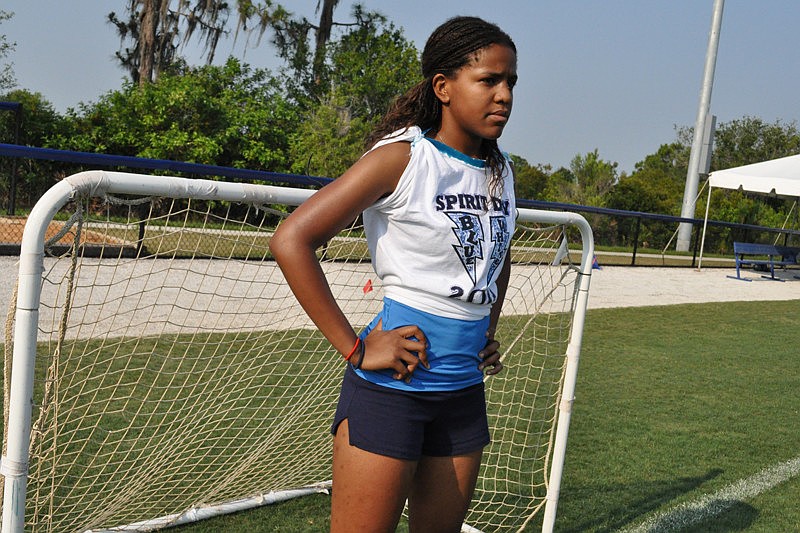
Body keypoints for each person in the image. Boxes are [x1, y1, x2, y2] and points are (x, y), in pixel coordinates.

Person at [269, 15, 517, 533]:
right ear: (444, 88)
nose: (504, 95)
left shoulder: (500, 170)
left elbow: (500, 254)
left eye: (510, 81)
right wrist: (357, 348)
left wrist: (487, 330)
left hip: (462, 394)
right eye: (488, 80)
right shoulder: (403, 158)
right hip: (392, 392)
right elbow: (292, 240)